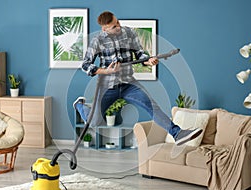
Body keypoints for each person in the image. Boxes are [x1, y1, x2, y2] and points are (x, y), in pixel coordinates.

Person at [73, 11, 202, 146]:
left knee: (152, 107)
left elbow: (140, 55)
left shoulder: (129, 33)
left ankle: (177, 134)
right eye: (114, 26)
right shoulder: (97, 41)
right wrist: (107, 70)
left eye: (118, 22)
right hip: (107, 86)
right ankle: (79, 105)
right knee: (94, 122)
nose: (119, 27)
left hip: (129, 84)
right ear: (104, 28)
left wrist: (148, 61)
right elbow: (85, 65)